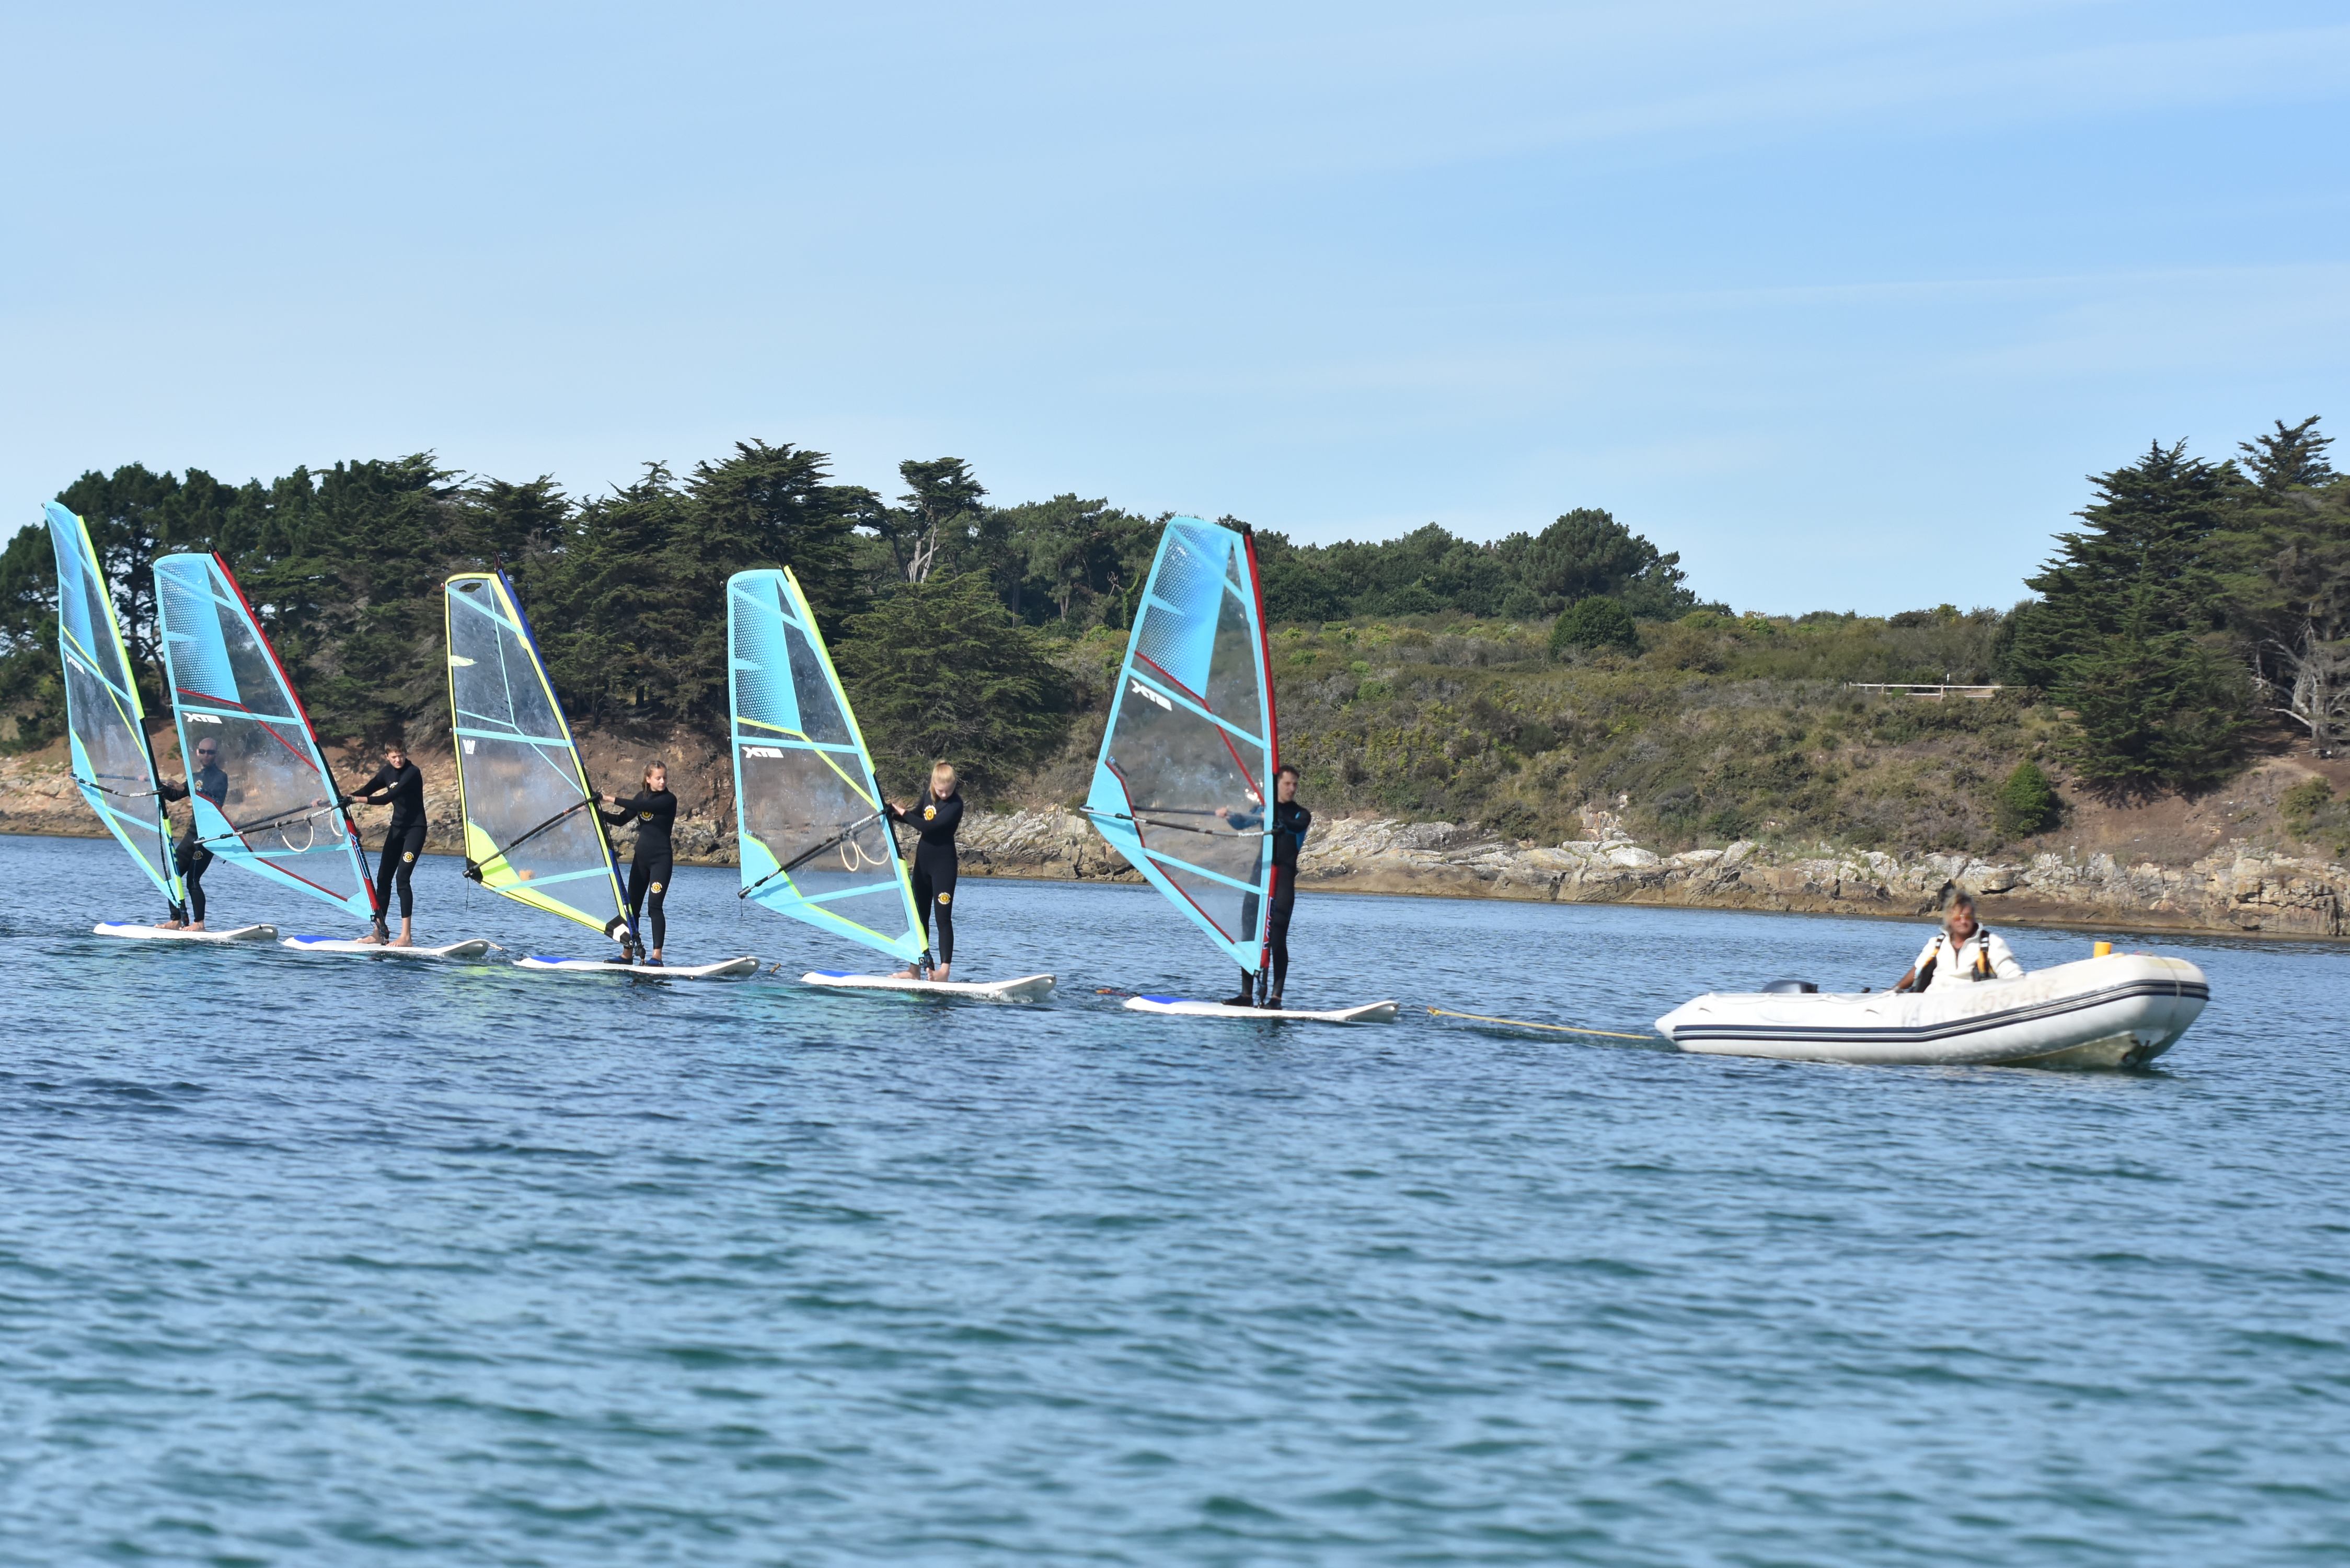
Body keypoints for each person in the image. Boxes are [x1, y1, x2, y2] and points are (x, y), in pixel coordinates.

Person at [1217, 763, 1310, 1008]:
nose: (1292, 788)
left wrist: (1271, 817)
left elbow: (1294, 826)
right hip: (1259, 880)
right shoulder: (1262, 808)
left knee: (1277, 939)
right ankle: (1246, 995)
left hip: (1283, 884)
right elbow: (1241, 823)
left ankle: (1276, 999)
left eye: (1295, 784)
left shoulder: (1301, 814)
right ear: (1276, 785)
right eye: (1287, 784)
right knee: (1248, 935)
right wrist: (1229, 816)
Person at [343, 741, 428, 947]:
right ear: (387, 757)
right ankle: (379, 932)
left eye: (401, 755)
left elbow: (386, 798)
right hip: (396, 830)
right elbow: (367, 790)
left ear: (406, 754)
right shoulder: (387, 773)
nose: (398, 760)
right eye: (394, 757)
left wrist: (356, 801)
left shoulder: (412, 772)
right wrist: (340, 799)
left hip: (415, 830)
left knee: (402, 879)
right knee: (383, 879)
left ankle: (406, 937)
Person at [886, 761, 962, 982]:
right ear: (933, 784)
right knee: (919, 919)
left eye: (949, 789)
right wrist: (893, 812)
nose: (945, 793)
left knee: (942, 919)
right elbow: (915, 816)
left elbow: (929, 827)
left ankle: (943, 971)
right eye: (941, 790)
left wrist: (905, 814)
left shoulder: (956, 804)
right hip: (922, 865)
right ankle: (914, 969)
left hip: (944, 867)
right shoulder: (928, 797)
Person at [600, 762, 677, 965]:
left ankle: (657, 957)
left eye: (665, 778)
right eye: (658, 778)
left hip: (661, 860)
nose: (663, 781)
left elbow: (645, 807)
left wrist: (609, 798)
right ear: (648, 779)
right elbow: (619, 820)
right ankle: (627, 954)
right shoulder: (640, 797)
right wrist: (595, 812)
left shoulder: (669, 800)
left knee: (654, 907)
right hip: (640, 860)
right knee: (632, 908)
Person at [154, 733, 229, 930]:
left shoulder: (221, 777)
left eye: (210, 752)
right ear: (197, 753)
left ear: (216, 755)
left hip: (208, 837)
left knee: (193, 880)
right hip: (192, 834)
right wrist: (161, 786)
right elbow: (174, 796)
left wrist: (184, 787)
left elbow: (209, 796)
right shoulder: (195, 777)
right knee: (173, 875)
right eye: (203, 752)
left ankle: (199, 923)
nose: (206, 755)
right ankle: (176, 919)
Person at [1893, 889, 2023, 993]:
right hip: (1932, 1004)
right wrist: (1893, 991)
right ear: (1949, 918)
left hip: (1970, 1007)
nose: (1963, 921)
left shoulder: (1992, 944)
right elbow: (1917, 971)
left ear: (1974, 917)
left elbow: (2014, 977)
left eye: (1967, 916)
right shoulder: (1936, 943)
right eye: (1957, 917)